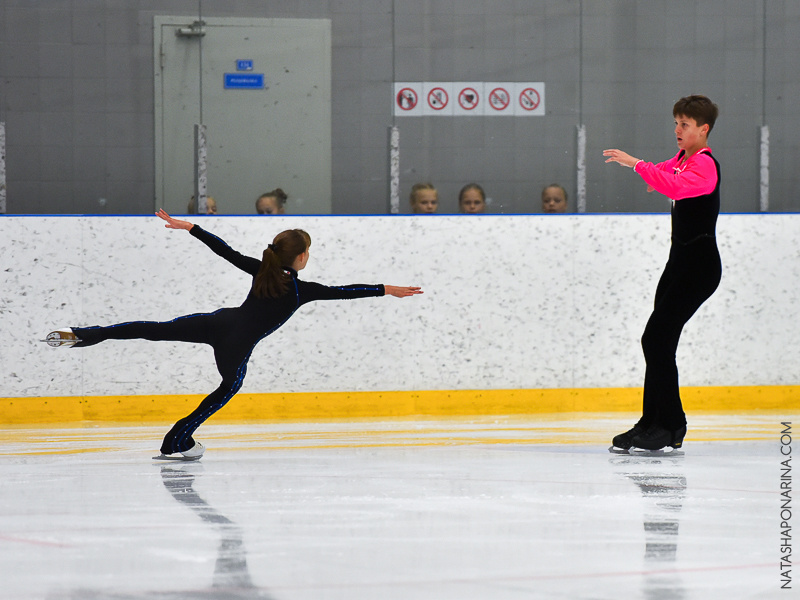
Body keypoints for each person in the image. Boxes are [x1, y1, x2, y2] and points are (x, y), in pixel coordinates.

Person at [44, 210, 423, 460]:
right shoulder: (300, 289)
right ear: (303, 257)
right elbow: (344, 292)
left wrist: (192, 227)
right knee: (228, 388)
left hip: (217, 322)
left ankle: (83, 334)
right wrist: (386, 288)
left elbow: (224, 252)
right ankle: (178, 439)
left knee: (153, 330)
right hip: (235, 346)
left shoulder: (262, 269)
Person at [603, 94, 721, 454]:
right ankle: (651, 423)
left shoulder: (705, 165)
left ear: (703, 129)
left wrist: (637, 165)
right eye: (675, 123)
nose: (677, 130)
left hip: (699, 268)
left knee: (655, 340)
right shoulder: (684, 159)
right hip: (679, 263)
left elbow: (673, 184)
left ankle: (672, 425)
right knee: (657, 342)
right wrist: (650, 172)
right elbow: (666, 175)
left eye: (685, 125)